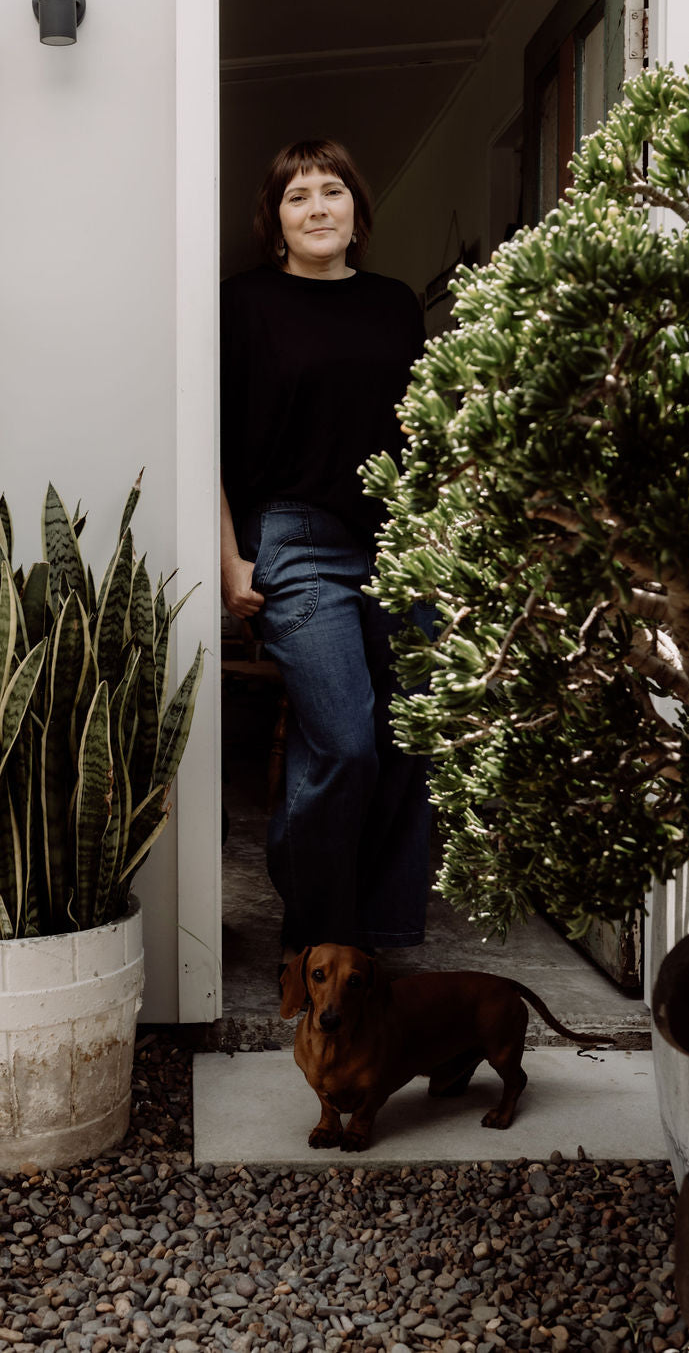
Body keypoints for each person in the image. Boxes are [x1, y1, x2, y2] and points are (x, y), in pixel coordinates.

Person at [219, 137, 431, 970]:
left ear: (356, 211)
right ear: (275, 222)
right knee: (344, 740)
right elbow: (212, 439)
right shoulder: (245, 303)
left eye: (332, 190)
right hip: (297, 536)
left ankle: (373, 938)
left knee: (410, 734)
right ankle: (313, 926)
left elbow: (423, 429)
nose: (317, 207)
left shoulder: (395, 303)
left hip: (402, 539)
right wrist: (231, 555)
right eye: (297, 195)